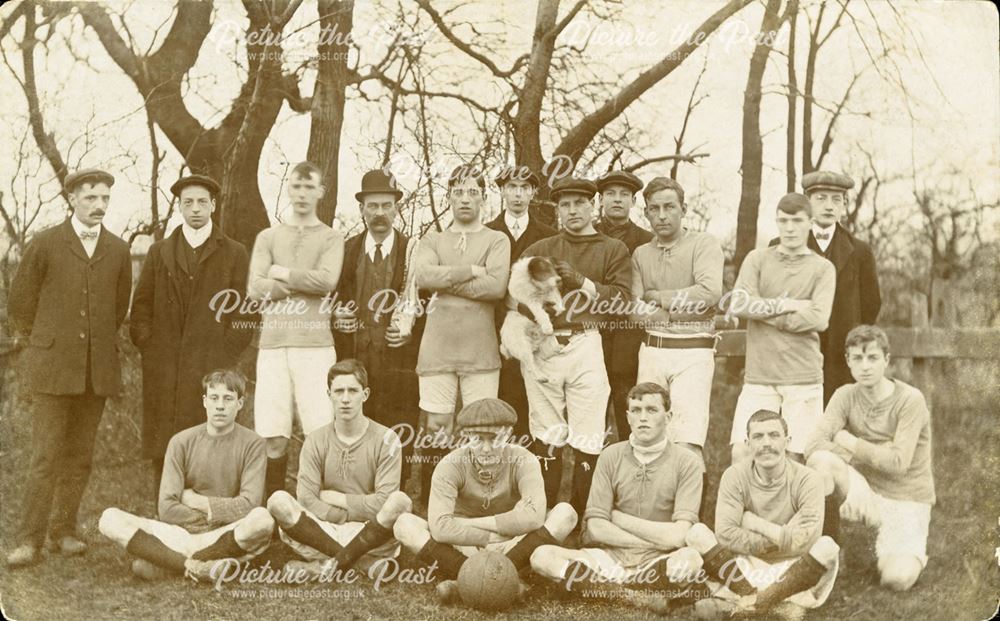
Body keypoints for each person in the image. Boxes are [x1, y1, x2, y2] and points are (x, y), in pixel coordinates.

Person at [6, 168, 132, 568]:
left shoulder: (118, 249)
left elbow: (118, 308)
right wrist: (48, 339)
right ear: (72, 198)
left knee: (80, 455)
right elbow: (20, 303)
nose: (99, 205)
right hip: (52, 368)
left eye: (105, 199)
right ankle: (29, 540)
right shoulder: (45, 243)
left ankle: (64, 532)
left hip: (96, 370)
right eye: (91, 197)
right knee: (46, 455)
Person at [529, 383, 707, 612]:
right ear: (628, 417)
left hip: (660, 559)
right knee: (542, 557)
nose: (643, 417)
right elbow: (595, 529)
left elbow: (680, 535)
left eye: (652, 410)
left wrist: (618, 518)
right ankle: (632, 596)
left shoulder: (687, 462)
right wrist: (658, 538)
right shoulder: (610, 456)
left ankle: (597, 586)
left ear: (668, 416)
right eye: (636, 410)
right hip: (610, 559)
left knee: (691, 559)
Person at [131, 174, 254, 490]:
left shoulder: (234, 252)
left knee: (208, 434)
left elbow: (245, 312)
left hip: (210, 364)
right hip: (164, 365)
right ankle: (166, 508)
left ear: (213, 205)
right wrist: (150, 345)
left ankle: (204, 509)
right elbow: (141, 306)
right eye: (188, 202)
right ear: (180, 208)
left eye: (202, 202)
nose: (195, 209)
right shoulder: (159, 251)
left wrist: (224, 353)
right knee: (165, 440)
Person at [393, 399, 578, 603]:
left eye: (495, 439)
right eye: (478, 439)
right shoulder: (450, 464)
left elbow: (534, 517)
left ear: (508, 434)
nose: (486, 448)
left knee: (565, 513)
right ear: (465, 436)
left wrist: (473, 526)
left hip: (510, 540)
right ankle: (506, 580)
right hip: (464, 543)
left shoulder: (524, 459)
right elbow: (439, 529)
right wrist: (487, 538)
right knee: (404, 525)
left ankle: (463, 583)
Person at [519, 176, 631, 513]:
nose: (572, 211)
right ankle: (545, 518)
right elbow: (515, 297)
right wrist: (543, 293)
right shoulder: (540, 249)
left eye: (579, 203)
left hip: (586, 342)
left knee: (588, 434)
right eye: (564, 205)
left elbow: (624, 301)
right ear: (557, 210)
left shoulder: (612, 248)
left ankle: (586, 517)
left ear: (592, 205)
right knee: (546, 433)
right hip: (545, 344)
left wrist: (583, 282)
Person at [97, 370, 274, 581]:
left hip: (225, 533)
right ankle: (193, 566)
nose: (220, 405)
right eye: (214, 398)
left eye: (228, 399)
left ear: (240, 404)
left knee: (262, 519)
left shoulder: (253, 443)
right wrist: (211, 514)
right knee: (109, 518)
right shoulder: (181, 441)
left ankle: (168, 564)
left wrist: (197, 501)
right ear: (204, 401)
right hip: (179, 533)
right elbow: (166, 509)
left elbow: (249, 505)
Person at [805, 325, 934, 591]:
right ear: (848, 361)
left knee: (896, 580)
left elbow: (898, 464)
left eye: (873, 358)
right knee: (821, 462)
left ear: (886, 360)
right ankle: (827, 554)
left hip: (906, 499)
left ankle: (902, 548)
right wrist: (868, 457)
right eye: (858, 358)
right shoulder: (845, 395)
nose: (865, 366)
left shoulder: (910, 400)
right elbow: (813, 445)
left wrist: (850, 442)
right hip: (866, 490)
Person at [412, 164, 511, 508]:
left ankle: (476, 502)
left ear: (484, 198)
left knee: (483, 428)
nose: (465, 198)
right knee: (437, 427)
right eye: (458, 192)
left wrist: (447, 282)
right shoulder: (432, 239)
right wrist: (470, 271)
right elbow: (423, 275)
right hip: (437, 348)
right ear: (448, 198)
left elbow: (496, 286)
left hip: (481, 352)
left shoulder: (497, 239)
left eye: (472, 192)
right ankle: (432, 504)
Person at [248, 161, 345, 499]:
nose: (302, 194)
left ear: (321, 192)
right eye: (296, 186)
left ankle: (317, 511)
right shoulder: (268, 237)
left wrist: (281, 273)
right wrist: (298, 281)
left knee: (319, 433)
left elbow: (327, 281)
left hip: (315, 346)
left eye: (309, 187)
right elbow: (255, 289)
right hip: (273, 346)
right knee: (273, 435)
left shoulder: (332, 238)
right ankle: (272, 515)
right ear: (289, 189)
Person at [686, 410, 839, 617]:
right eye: (758, 436)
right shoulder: (734, 476)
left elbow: (807, 540)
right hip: (747, 564)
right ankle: (764, 599)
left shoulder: (808, 479)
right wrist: (782, 537)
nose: (766, 443)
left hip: (793, 566)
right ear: (748, 443)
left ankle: (751, 602)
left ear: (788, 441)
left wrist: (754, 522)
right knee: (697, 533)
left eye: (774, 435)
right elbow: (725, 534)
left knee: (827, 548)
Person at [630, 177, 723, 515]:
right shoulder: (640, 254)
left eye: (670, 207)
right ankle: (653, 518)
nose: (662, 215)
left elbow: (708, 294)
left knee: (686, 440)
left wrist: (659, 299)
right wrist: (670, 308)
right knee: (649, 436)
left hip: (693, 353)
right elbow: (636, 312)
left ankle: (691, 522)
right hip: (653, 351)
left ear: (684, 209)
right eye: (654, 209)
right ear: (646, 214)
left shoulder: (704, 244)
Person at [267, 359, 412, 576]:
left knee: (400, 502)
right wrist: (339, 516)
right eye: (339, 391)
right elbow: (307, 498)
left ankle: (324, 566)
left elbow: (384, 501)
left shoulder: (387, 439)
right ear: (329, 395)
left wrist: (335, 498)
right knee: (277, 501)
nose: (345, 399)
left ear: (365, 394)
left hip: (369, 530)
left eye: (353, 391)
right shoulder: (315, 440)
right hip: (324, 529)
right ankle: (356, 563)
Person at [728, 193, 836, 463]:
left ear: (810, 223)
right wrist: (786, 304)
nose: (789, 228)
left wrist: (765, 312)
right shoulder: (757, 259)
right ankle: (746, 507)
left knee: (795, 457)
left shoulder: (822, 268)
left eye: (797, 221)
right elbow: (739, 304)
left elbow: (819, 318)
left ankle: (793, 508)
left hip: (803, 375)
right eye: (783, 221)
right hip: (759, 375)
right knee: (742, 452)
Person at [332, 169, 423, 489]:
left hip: (398, 360)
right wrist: (335, 316)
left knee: (398, 428)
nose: (380, 213)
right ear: (361, 210)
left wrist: (411, 330)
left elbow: (425, 304)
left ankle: (394, 498)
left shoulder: (413, 250)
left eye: (386, 205)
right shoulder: (345, 250)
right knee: (353, 425)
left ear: (397, 208)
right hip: (354, 357)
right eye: (373, 206)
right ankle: (353, 492)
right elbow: (329, 299)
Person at [487, 164, 556, 441]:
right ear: (502, 191)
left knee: (536, 405)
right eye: (512, 187)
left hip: (533, 330)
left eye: (524, 188)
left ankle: (532, 474)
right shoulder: (488, 232)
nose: (518, 195)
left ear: (533, 193)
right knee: (501, 404)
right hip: (493, 330)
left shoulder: (548, 235)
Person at [801, 171, 881, 404]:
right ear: (807, 203)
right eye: (821, 198)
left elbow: (871, 304)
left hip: (841, 356)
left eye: (836, 199)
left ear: (845, 205)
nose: (829, 206)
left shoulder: (860, 251)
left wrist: (852, 341)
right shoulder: (783, 246)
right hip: (798, 353)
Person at [594, 170, 653, 442]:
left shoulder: (646, 241)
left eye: (624, 195)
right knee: (590, 421)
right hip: (592, 335)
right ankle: (590, 480)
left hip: (629, 340)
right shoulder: (587, 235)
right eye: (610, 194)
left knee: (628, 413)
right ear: (601, 199)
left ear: (633, 201)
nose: (617, 200)